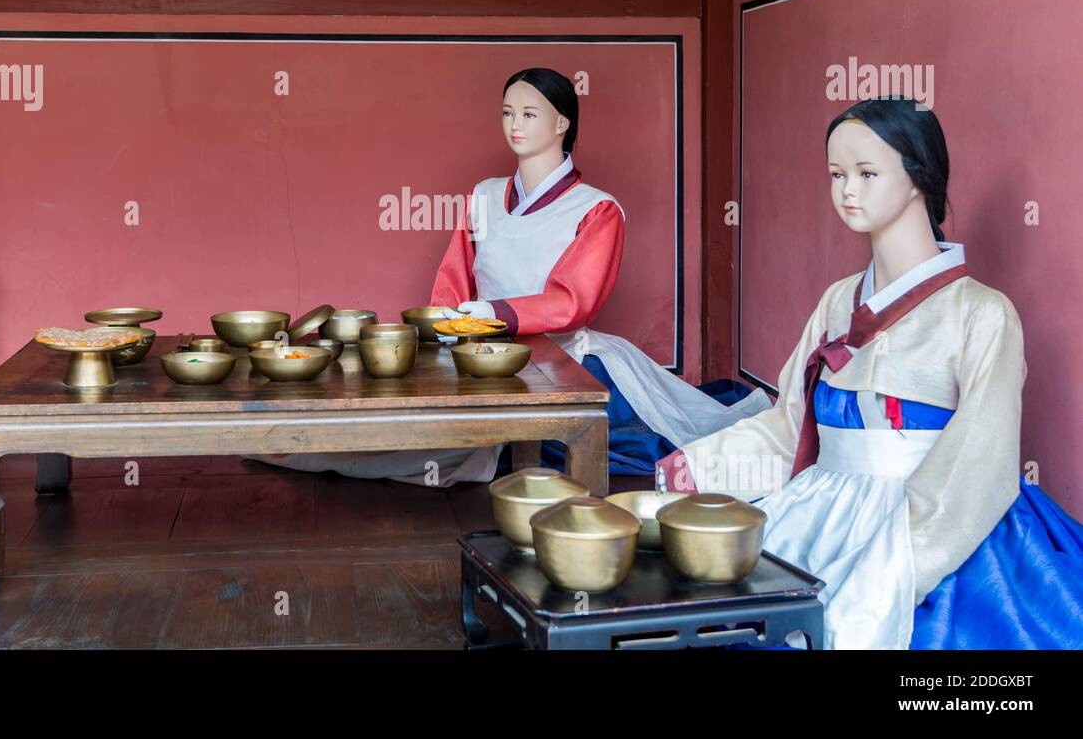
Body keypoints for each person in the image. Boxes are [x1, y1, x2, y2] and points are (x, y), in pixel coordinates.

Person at [656, 97, 1083, 649]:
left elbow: (979, 460)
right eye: (836, 174)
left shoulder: (981, 312)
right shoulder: (837, 300)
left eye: (866, 173)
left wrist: (896, 563)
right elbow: (792, 425)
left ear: (917, 178)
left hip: (935, 522)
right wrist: (701, 465)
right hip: (822, 508)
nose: (846, 190)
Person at [252, 68, 769, 485]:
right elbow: (455, 274)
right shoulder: (483, 194)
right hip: (476, 350)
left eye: (528, 112)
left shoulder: (597, 210)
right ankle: (297, 439)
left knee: (614, 442)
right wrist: (445, 327)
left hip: (566, 357)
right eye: (506, 112)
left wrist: (498, 313)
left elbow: (574, 301)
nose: (513, 124)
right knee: (413, 427)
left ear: (562, 122)